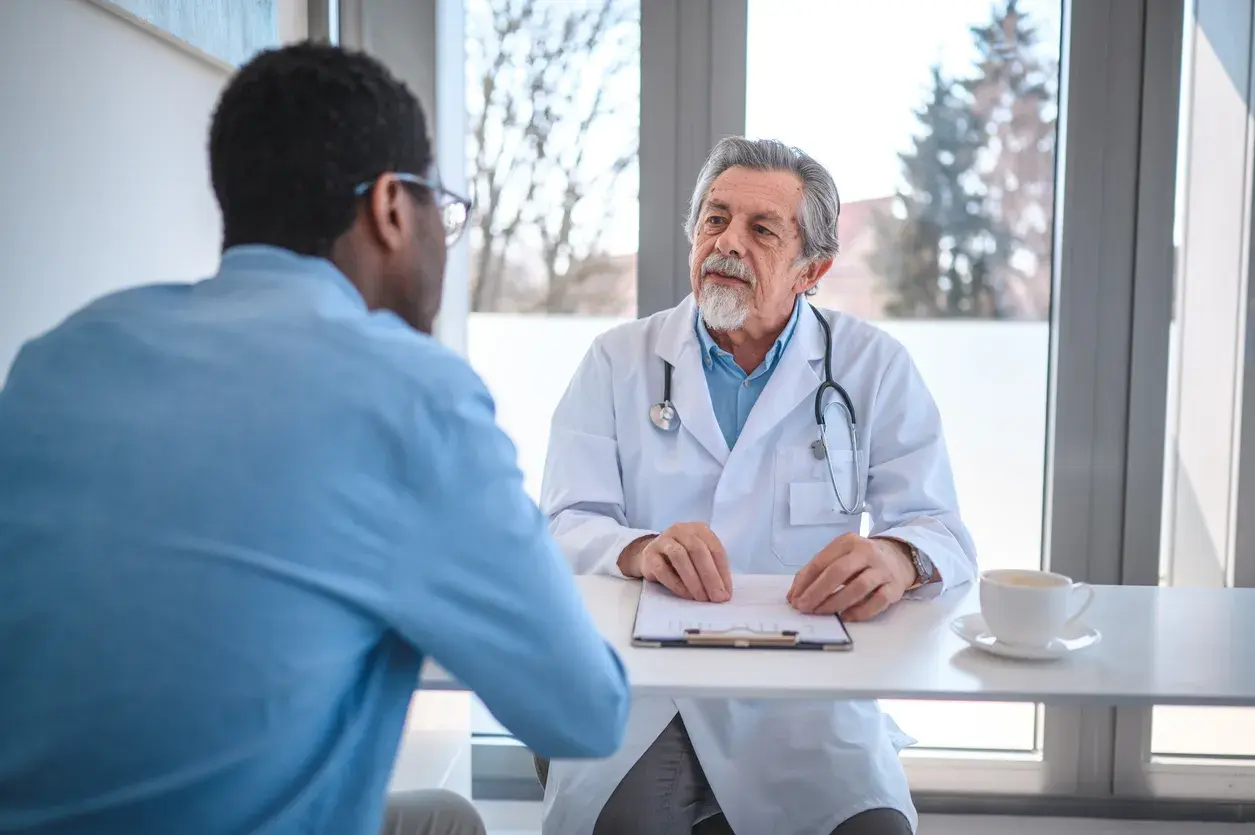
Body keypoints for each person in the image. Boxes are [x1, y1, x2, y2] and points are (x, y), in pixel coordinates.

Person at [0, 43, 630, 835]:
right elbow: (584, 713)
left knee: (437, 816)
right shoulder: (410, 393)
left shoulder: (59, 356)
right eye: (444, 208)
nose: (445, 234)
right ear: (393, 207)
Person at [535, 137, 979, 835]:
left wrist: (895, 555)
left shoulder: (872, 367)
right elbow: (561, 522)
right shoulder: (617, 361)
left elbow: (941, 531)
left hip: (806, 692)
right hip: (651, 683)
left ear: (813, 269)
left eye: (761, 229)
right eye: (714, 219)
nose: (726, 243)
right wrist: (638, 549)